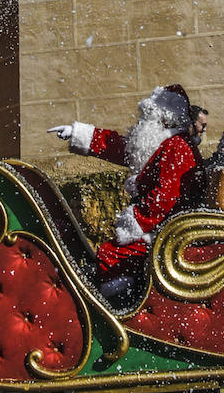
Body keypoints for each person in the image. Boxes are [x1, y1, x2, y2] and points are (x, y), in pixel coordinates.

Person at [48, 84, 206, 301]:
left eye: (147, 116)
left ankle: (119, 308)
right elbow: (122, 147)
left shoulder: (177, 147)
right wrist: (78, 133)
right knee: (108, 254)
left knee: (112, 256)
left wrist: (133, 224)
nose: (141, 122)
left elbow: (164, 198)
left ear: (164, 119)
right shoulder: (159, 142)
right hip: (159, 228)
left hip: (167, 233)